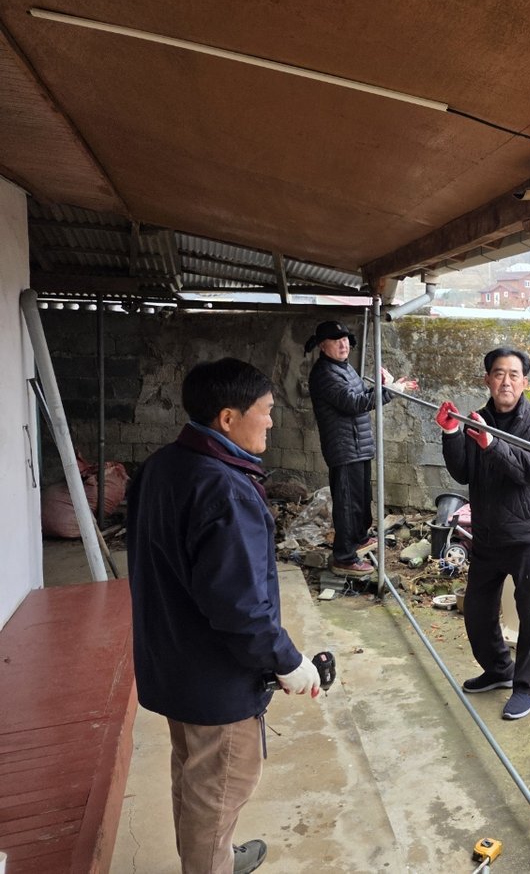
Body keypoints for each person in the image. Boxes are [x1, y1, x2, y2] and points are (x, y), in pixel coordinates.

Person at [126, 358, 322, 874]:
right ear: (228, 418)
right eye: (266, 411)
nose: (272, 422)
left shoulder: (162, 465)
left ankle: (212, 857)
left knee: (195, 774)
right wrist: (287, 661)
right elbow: (240, 609)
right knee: (219, 789)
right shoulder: (225, 490)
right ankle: (209, 864)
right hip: (214, 678)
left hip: (173, 658)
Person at [436, 347, 530, 721]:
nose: (506, 382)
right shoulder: (477, 420)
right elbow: (463, 472)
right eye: (499, 374)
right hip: (486, 534)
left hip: (528, 537)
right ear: (487, 379)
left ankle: (526, 686)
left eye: (514, 375)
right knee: (477, 611)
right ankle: (500, 669)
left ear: (525, 382)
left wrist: (493, 444)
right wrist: (451, 433)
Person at [305, 319, 403, 577]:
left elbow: (360, 395)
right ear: (322, 346)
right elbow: (354, 403)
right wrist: (389, 392)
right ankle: (344, 557)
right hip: (344, 447)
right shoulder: (325, 373)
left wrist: (382, 387)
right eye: (336, 341)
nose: (343, 344)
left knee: (360, 498)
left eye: (346, 339)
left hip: (358, 444)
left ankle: (358, 539)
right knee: (348, 503)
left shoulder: (343, 368)